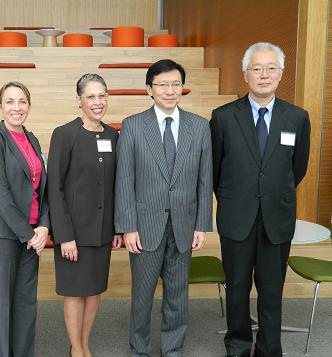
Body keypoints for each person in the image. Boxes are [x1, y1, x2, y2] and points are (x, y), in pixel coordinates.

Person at [210, 42, 310, 357]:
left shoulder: (297, 118)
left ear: (280, 74)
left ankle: (269, 348)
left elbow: (298, 168)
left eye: (270, 68)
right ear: (245, 75)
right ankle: (238, 346)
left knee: (271, 290)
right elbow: (214, 169)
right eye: (256, 68)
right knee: (237, 287)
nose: (263, 74)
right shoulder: (224, 117)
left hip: (276, 219)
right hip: (236, 218)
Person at [115, 59, 213, 357]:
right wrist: (128, 226)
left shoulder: (200, 127)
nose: (169, 91)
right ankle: (139, 350)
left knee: (178, 295)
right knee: (142, 296)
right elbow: (124, 180)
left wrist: (201, 224)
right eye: (162, 84)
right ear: (149, 89)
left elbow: (204, 178)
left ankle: (173, 349)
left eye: (175, 84)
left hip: (184, 224)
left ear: (182, 88)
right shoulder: (133, 125)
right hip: (144, 227)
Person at [48, 73, 122, 357]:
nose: (97, 102)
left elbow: (116, 186)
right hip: (74, 233)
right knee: (75, 291)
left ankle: (84, 342)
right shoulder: (65, 134)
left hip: (102, 231)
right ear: (79, 101)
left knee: (94, 291)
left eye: (102, 95)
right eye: (90, 96)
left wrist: (116, 227)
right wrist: (64, 236)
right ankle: (77, 349)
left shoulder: (112, 134)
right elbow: (54, 189)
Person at [0, 81, 50, 357]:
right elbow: (0, 194)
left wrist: (43, 226)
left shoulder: (32, 138)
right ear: (0, 106)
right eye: (9, 101)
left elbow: (42, 188)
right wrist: (30, 234)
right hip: (2, 235)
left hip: (31, 236)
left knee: (24, 304)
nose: (16, 107)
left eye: (22, 102)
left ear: (29, 106)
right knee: (1, 306)